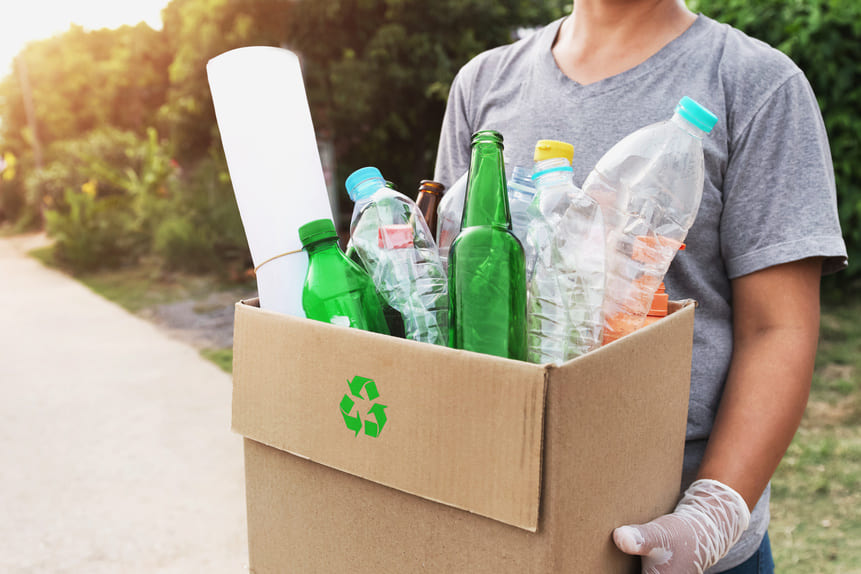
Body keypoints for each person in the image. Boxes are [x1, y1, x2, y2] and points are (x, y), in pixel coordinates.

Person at [433, 0, 848, 572]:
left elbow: (778, 328)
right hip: (508, 519)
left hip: (676, 531)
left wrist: (710, 515)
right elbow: (452, 294)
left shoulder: (755, 83)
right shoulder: (484, 82)